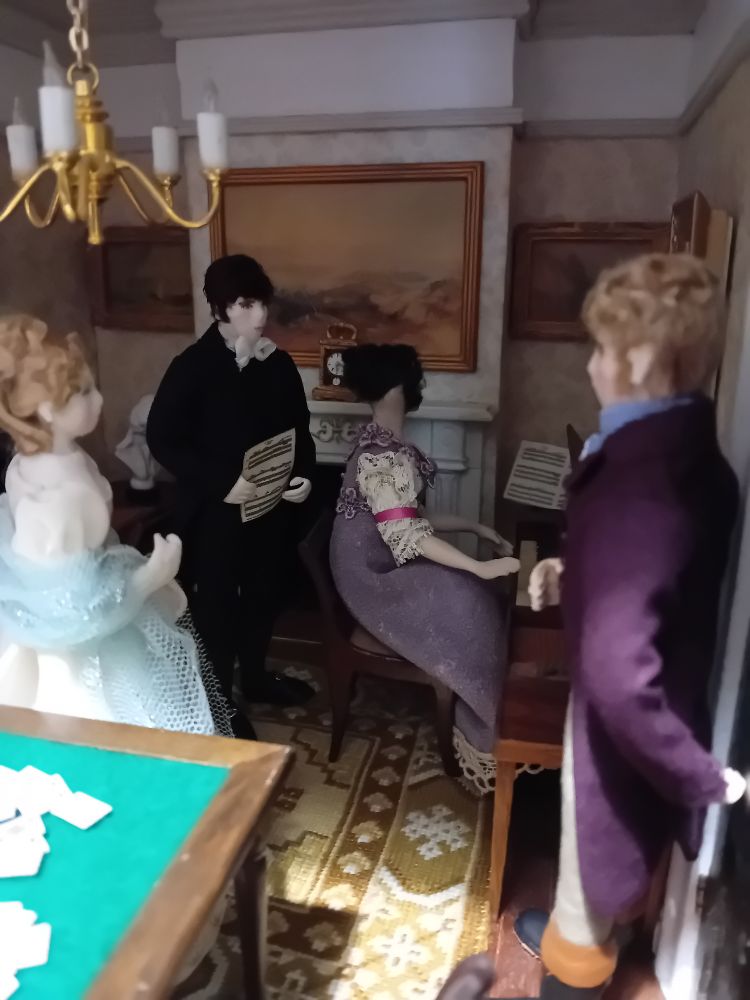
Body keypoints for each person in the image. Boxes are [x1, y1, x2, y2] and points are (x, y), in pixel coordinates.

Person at [487, 253, 748, 999]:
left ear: (640, 359)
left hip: (618, 728)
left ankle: (570, 972)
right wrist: (572, 572)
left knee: (589, 873)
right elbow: (639, 577)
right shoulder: (676, 452)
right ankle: (579, 934)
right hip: (623, 713)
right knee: (596, 862)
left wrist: (697, 776)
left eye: (603, 349)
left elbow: (620, 673)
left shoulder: (647, 488)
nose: (592, 365)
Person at [0, 314, 228, 737]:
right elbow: (73, 613)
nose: (100, 400)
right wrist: (151, 576)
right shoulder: (69, 494)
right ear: (47, 410)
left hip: (74, 616)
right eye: (84, 392)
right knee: (120, 734)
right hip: (82, 654)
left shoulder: (25, 464)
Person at [330, 344, 519, 792]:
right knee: (468, 601)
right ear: (397, 389)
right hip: (370, 578)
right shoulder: (380, 456)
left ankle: (506, 709)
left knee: (473, 590)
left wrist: (475, 528)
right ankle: (489, 728)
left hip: (381, 561)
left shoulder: (386, 445)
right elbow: (406, 534)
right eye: (413, 380)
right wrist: (480, 567)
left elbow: (409, 519)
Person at [147, 255, 317, 729]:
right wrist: (223, 484)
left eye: (262, 303)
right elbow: (163, 438)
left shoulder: (278, 363)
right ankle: (220, 703)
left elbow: (299, 431)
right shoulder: (191, 367)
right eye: (245, 304)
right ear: (219, 308)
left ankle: (256, 677)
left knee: (265, 595)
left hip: (270, 509)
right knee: (217, 608)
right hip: (215, 514)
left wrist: (304, 474)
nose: (259, 315)